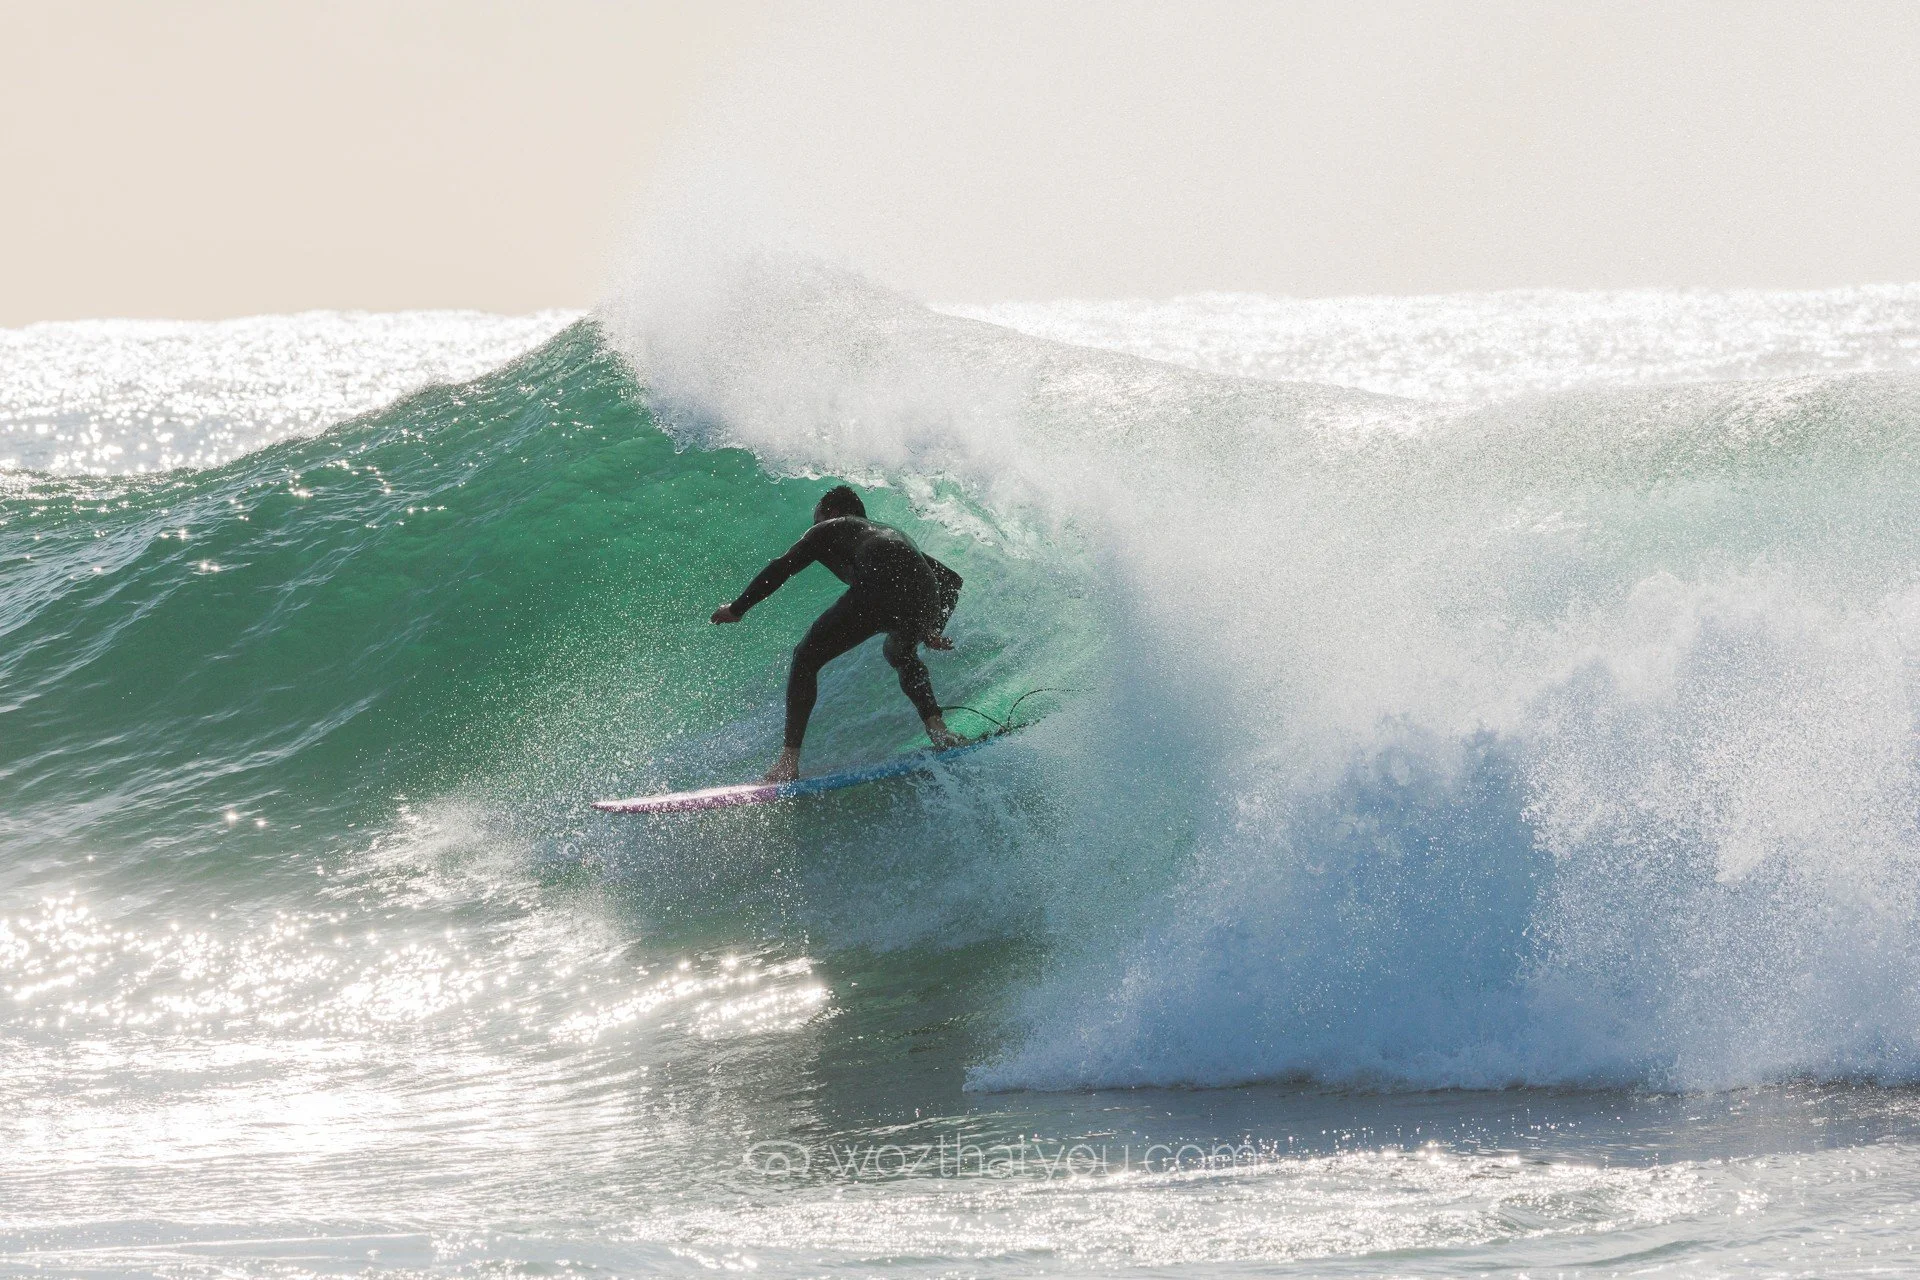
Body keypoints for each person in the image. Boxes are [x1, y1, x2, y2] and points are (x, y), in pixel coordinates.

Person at [711, 485, 965, 782]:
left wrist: (738, 608)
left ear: (831, 512)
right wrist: (933, 629)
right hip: (925, 595)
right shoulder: (885, 532)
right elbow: (950, 580)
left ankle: (788, 762)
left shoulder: (829, 528)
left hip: (878, 581)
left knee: (805, 657)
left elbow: (782, 567)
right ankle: (938, 729)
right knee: (899, 652)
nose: (813, 524)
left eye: (816, 516)